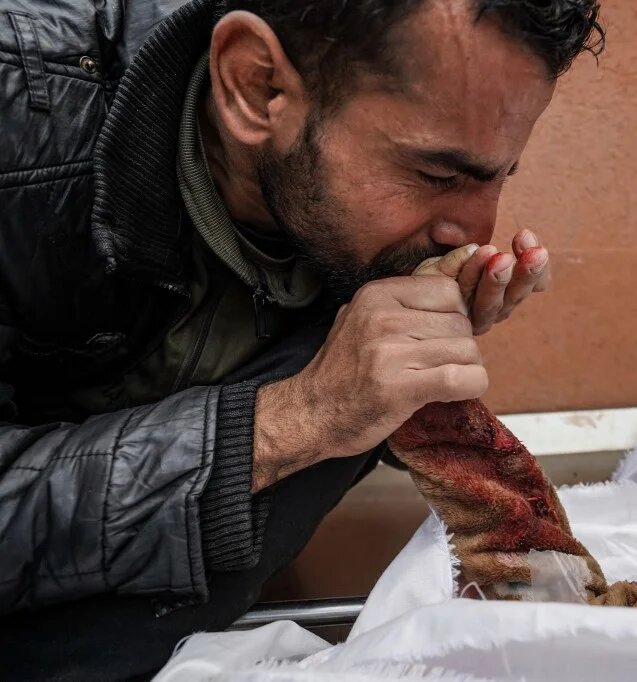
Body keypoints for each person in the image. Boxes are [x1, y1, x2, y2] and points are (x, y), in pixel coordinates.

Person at [0, 0, 603, 677]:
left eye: (499, 176)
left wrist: (424, 376)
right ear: (257, 86)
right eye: (437, 174)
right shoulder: (21, 119)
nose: (472, 227)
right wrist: (298, 418)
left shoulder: (343, 210)